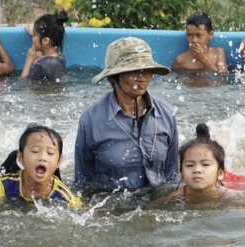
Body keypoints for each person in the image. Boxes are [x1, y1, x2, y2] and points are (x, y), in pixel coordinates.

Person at [74, 37, 179, 193]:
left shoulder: (166, 115)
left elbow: (173, 176)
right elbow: (82, 182)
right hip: (112, 207)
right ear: (113, 77)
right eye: (133, 70)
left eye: (147, 70)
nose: (142, 77)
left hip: (158, 206)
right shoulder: (91, 120)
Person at [0, 124, 81, 208]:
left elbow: (80, 212)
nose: (42, 157)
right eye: (35, 151)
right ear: (20, 157)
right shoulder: (3, 186)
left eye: (50, 153)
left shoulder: (64, 197)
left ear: (58, 161)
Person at [164, 123, 238, 203]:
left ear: (220, 174)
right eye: (190, 165)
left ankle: (221, 144)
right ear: (181, 174)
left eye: (205, 164)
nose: (197, 170)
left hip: (230, 181)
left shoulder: (233, 195)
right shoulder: (174, 197)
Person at [21, 10, 69, 81]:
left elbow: (24, 84)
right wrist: (36, 33)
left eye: (34, 35)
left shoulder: (41, 66)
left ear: (46, 41)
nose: (33, 38)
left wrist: (29, 60)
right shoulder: (61, 57)